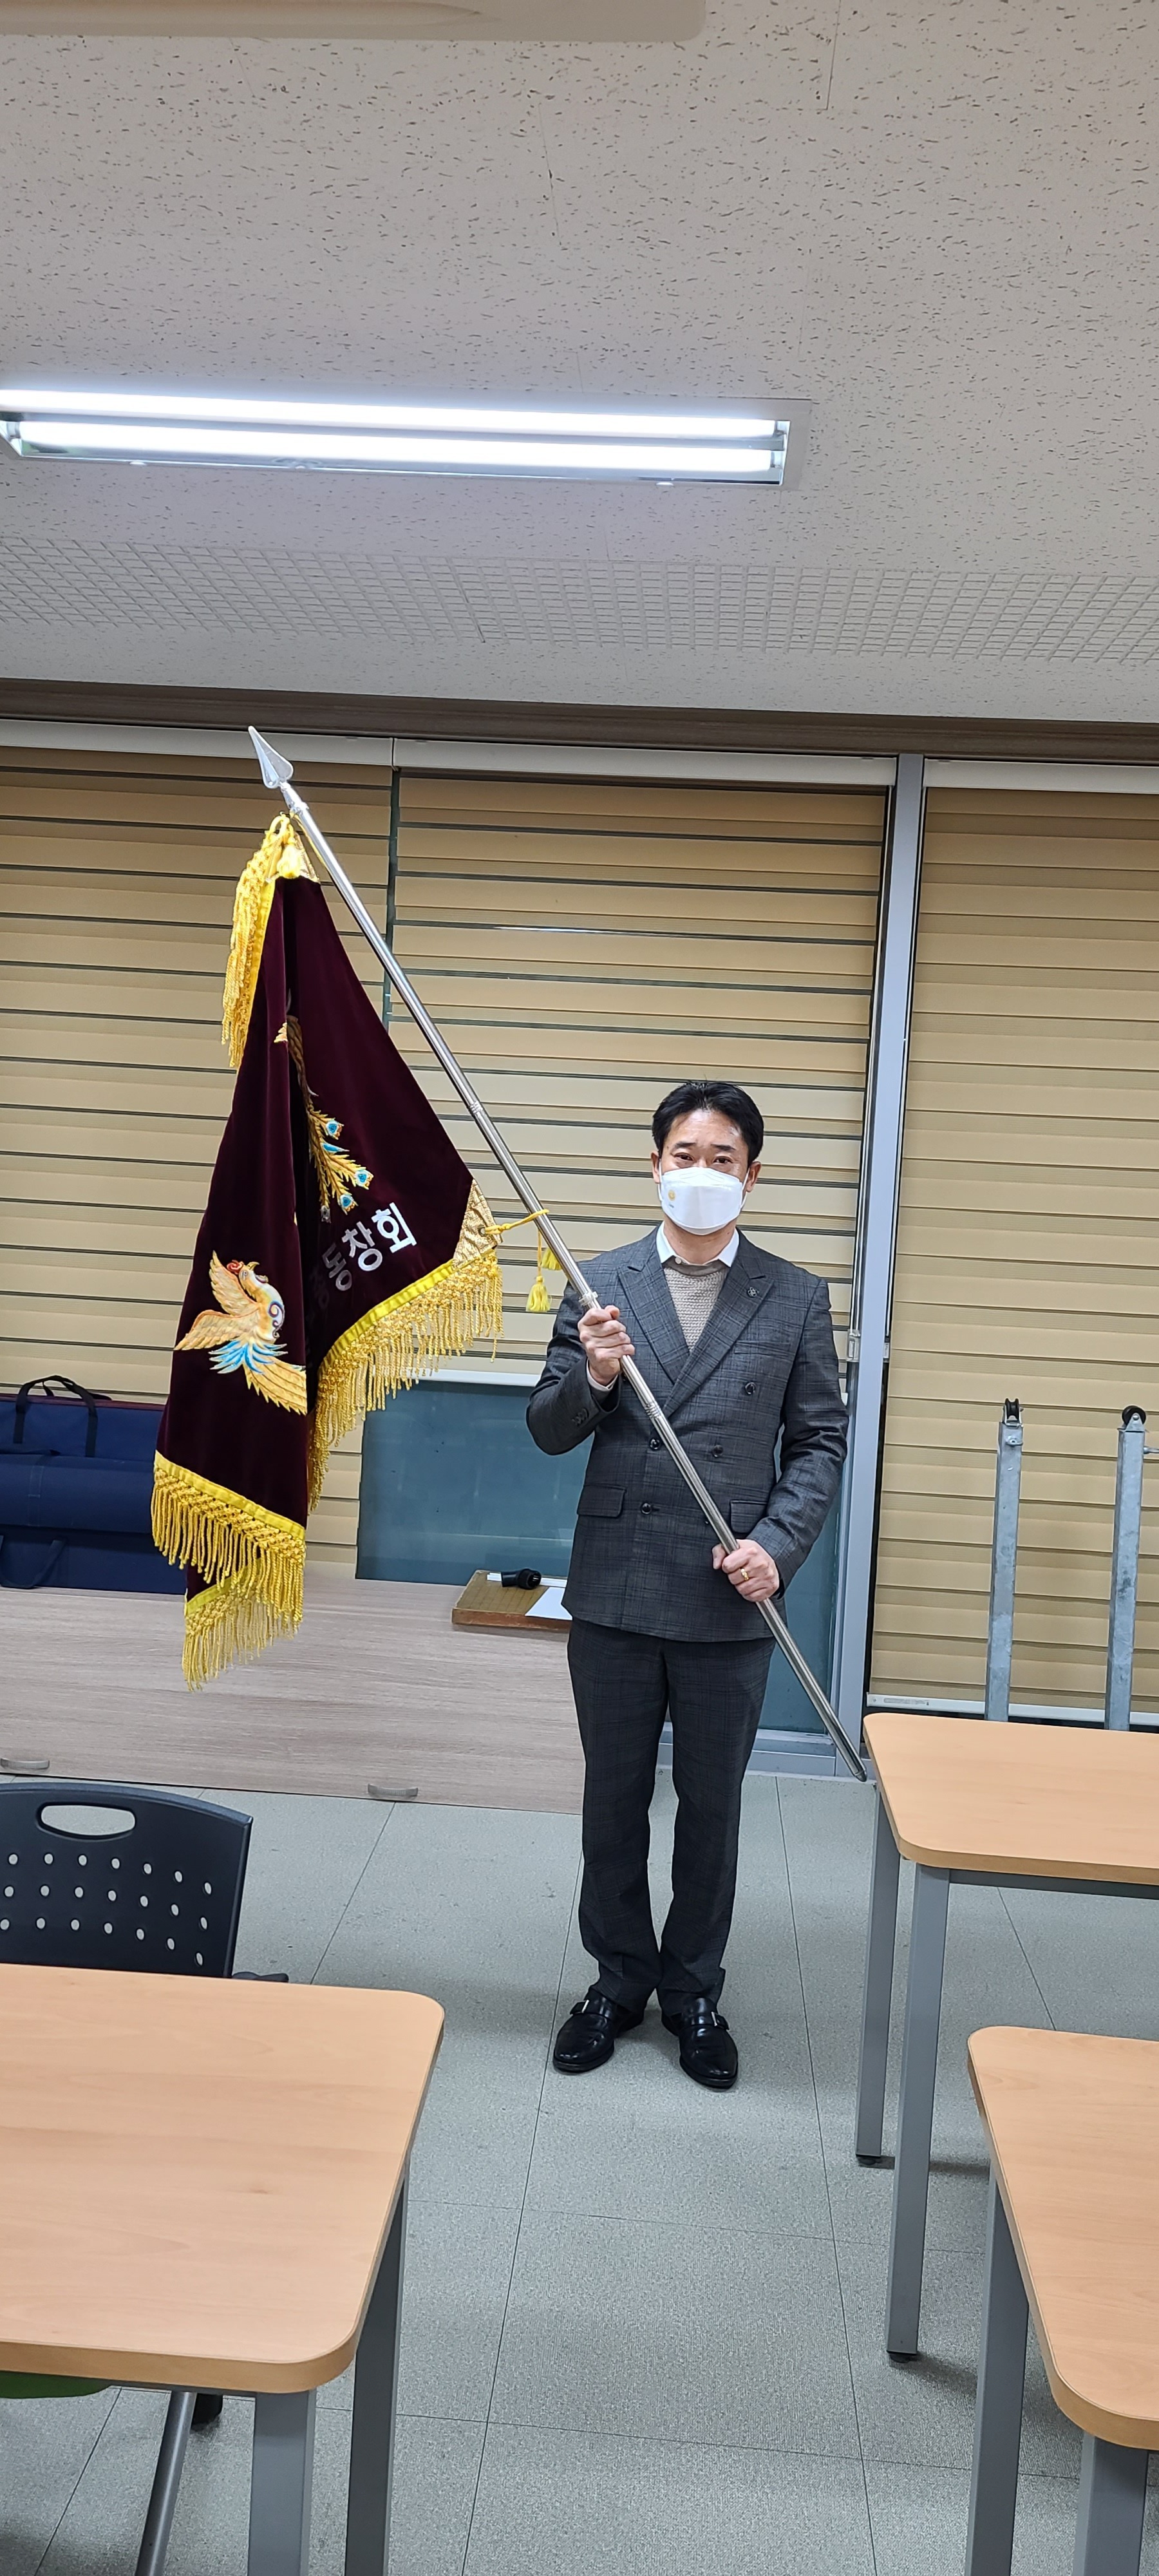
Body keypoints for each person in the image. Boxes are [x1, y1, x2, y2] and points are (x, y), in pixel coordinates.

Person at [527, 1079, 847, 2091]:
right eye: (684, 1155)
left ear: (752, 1175)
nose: (700, 1174)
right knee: (613, 1800)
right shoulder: (598, 1282)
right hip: (618, 1589)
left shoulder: (795, 1297)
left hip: (728, 1591)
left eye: (722, 1159)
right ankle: (619, 1980)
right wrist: (596, 1376)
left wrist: (778, 1546)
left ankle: (694, 1989)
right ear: (654, 1164)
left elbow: (819, 1443)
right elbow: (547, 1428)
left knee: (712, 1807)